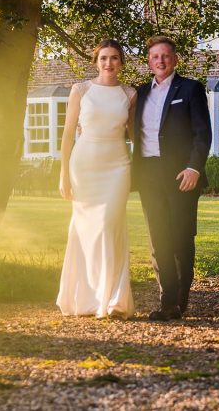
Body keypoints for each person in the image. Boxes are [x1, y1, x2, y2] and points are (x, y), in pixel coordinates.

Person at [133, 35, 212, 321]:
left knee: (180, 238)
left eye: (166, 55)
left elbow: (203, 134)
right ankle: (167, 302)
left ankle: (180, 300)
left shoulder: (190, 89)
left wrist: (194, 168)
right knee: (158, 240)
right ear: (149, 61)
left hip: (181, 176)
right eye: (155, 56)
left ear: (175, 59)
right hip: (148, 176)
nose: (161, 61)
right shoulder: (140, 93)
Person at [56, 39, 136, 318]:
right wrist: (63, 174)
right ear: (96, 61)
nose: (109, 63)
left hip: (117, 165)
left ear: (121, 62)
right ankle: (85, 299)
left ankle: (113, 300)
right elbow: (67, 135)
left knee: (108, 226)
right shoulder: (81, 90)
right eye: (103, 58)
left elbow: (136, 135)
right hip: (84, 164)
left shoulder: (130, 94)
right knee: (85, 230)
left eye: (114, 58)